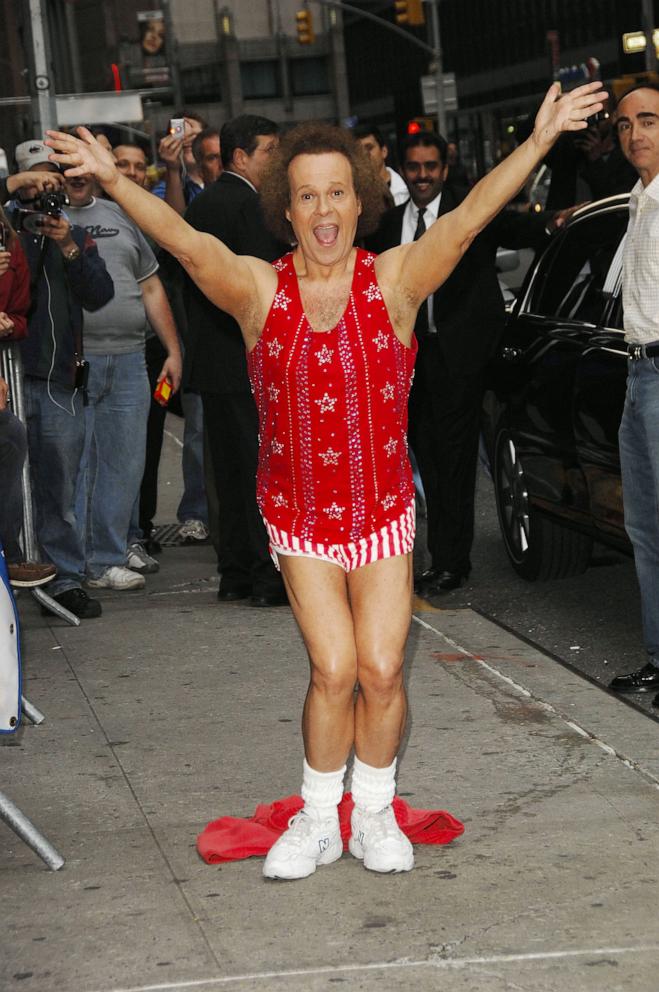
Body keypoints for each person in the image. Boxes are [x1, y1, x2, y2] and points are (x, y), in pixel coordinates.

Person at [47, 77, 606, 879]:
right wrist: (113, 180)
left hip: (381, 512)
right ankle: (315, 817)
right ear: (287, 206)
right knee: (335, 669)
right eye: (306, 196)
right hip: (298, 516)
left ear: (359, 198)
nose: (322, 211)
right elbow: (186, 242)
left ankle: (372, 813)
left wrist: (540, 138)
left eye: (336, 193)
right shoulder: (258, 290)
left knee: (381, 670)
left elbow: (472, 212)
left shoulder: (398, 282)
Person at [367, 130, 559, 593]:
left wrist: (558, 219)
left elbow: (524, 228)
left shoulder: (469, 214)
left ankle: (451, 562)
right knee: (425, 457)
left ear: (444, 169)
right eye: (413, 167)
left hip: (462, 358)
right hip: (410, 362)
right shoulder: (388, 224)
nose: (421, 176)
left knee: (454, 461)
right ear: (404, 169)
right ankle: (438, 554)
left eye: (430, 167)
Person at [183, 114, 288, 606]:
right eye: (269, 151)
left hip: (212, 361)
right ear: (240, 156)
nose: (277, 160)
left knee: (227, 471)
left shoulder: (201, 206)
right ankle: (267, 579)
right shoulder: (250, 206)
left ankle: (235, 573)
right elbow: (265, 283)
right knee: (260, 469)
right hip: (248, 361)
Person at [8, 142, 114, 618]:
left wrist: (67, 243)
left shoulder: (74, 233)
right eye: (36, 183)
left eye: (52, 183)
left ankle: (65, 577)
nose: (44, 195)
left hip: (57, 377)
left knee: (60, 487)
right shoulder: (7, 229)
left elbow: (99, 293)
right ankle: (13, 569)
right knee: (10, 485)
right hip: (10, 375)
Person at [64, 166, 182, 591]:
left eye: (81, 169)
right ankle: (74, 563)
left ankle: (107, 559)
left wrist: (172, 349)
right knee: (78, 467)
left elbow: (150, 286)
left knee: (125, 463)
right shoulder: (42, 218)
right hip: (76, 361)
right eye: (65, 170)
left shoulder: (122, 215)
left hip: (132, 358)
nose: (74, 177)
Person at [606, 83, 659, 711]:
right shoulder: (637, 201)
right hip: (636, 372)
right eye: (624, 125)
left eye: (648, 120)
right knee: (644, 529)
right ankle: (656, 656)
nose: (635, 134)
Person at [0, 212, 56, 588]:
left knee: (10, 435)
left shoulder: (9, 237)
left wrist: (7, 322)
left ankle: (10, 555)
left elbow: (21, 314)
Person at [152, 112, 207, 216]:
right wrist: (172, 168)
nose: (187, 141)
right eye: (180, 134)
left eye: (195, 136)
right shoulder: (163, 190)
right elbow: (174, 220)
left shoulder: (224, 177)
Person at [353, 123, 409, 206]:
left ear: (384, 151)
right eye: (359, 151)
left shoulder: (408, 188)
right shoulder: (354, 194)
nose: (364, 154)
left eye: (369, 148)